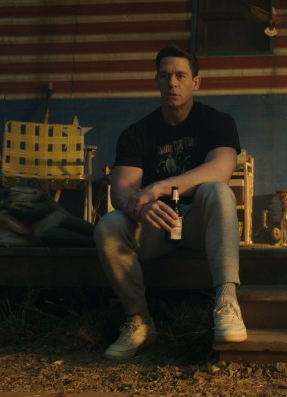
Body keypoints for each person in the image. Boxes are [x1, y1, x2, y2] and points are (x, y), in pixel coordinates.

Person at [94, 46, 247, 359]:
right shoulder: (137, 133)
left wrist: (156, 188)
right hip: (157, 225)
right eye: (165, 76)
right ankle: (139, 320)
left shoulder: (218, 122)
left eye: (180, 76)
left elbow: (220, 170)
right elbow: (121, 191)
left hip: (199, 224)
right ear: (157, 81)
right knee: (108, 225)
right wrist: (143, 206)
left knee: (217, 191)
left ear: (196, 82)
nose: (172, 83)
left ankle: (226, 302)